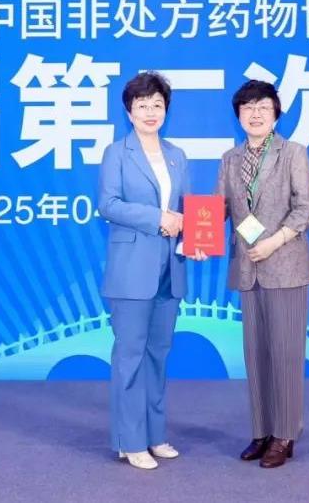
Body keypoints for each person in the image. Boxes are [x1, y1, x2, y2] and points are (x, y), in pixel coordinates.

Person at [97, 71, 204, 470]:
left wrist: (197, 237)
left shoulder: (177, 155)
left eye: (157, 104)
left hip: (170, 268)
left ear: (166, 109)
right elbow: (108, 205)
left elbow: (189, 209)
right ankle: (130, 440)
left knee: (159, 354)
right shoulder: (116, 153)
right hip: (131, 270)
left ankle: (155, 435)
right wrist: (158, 217)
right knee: (130, 357)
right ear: (129, 111)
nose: (150, 112)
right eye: (142, 105)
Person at [216, 79, 309, 468]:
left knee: (286, 354)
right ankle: (261, 431)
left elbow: (305, 208)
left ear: (276, 113)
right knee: (256, 355)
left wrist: (274, 242)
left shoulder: (293, 153)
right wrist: (195, 230)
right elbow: (219, 208)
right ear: (238, 115)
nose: (255, 114)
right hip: (248, 267)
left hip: (286, 265)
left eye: (263, 107)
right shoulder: (229, 158)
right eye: (247, 108)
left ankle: (286, 434)